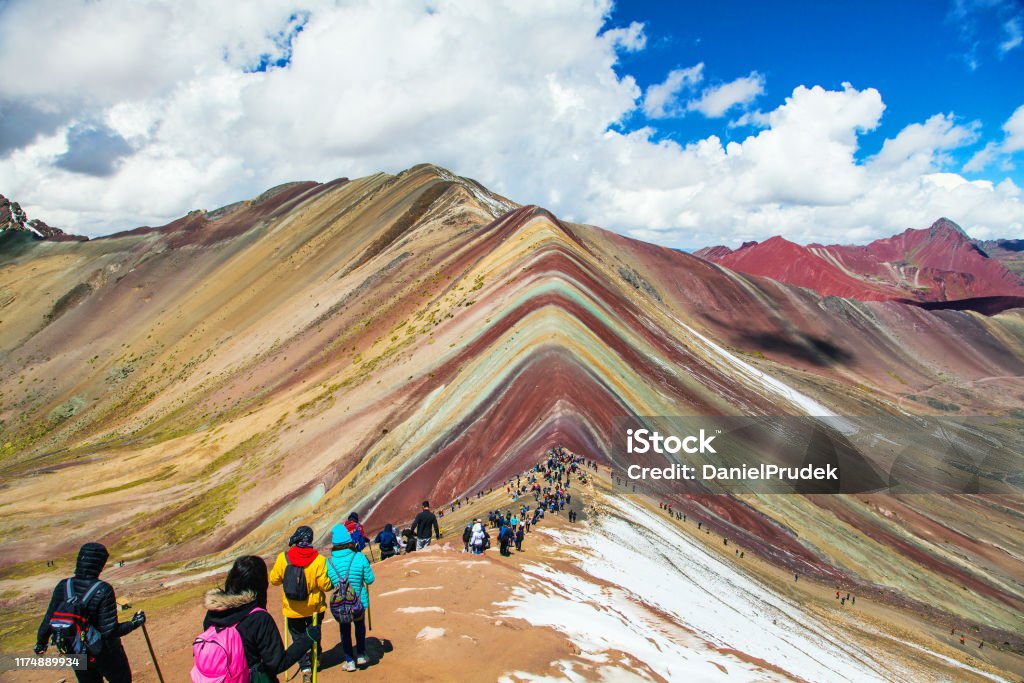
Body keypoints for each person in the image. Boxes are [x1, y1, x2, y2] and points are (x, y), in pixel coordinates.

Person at [36, 543, 145, 683]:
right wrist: (135, 622)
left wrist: (41, 643)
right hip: (105, 653)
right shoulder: (103, 589)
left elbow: (48, 619)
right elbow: (109, 632)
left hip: (75, 651)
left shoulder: (63, 586)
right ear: (99, 564)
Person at [199, 555, 316, 682]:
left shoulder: (213, 613)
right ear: (261, 583)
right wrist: (307, 638)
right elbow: (277, 664)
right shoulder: (259, 618)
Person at [268, 526, 332, 682]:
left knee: (297, 637)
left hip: (292, 607)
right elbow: (325, 585)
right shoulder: (319, 560)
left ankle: (305, 667)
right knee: (314, 633)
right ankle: (316, 657)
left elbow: (274, 580)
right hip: (314, 608)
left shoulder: (284, 558)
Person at [326, 525, 375, 672]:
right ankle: (361, 654)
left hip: (341, 605)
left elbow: (328, 586)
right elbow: (370, 580)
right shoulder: (359, 557)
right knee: (359, 627)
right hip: (358, 602)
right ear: (349, 539)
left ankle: (349, 661)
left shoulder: (329, 563)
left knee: (344, 630)